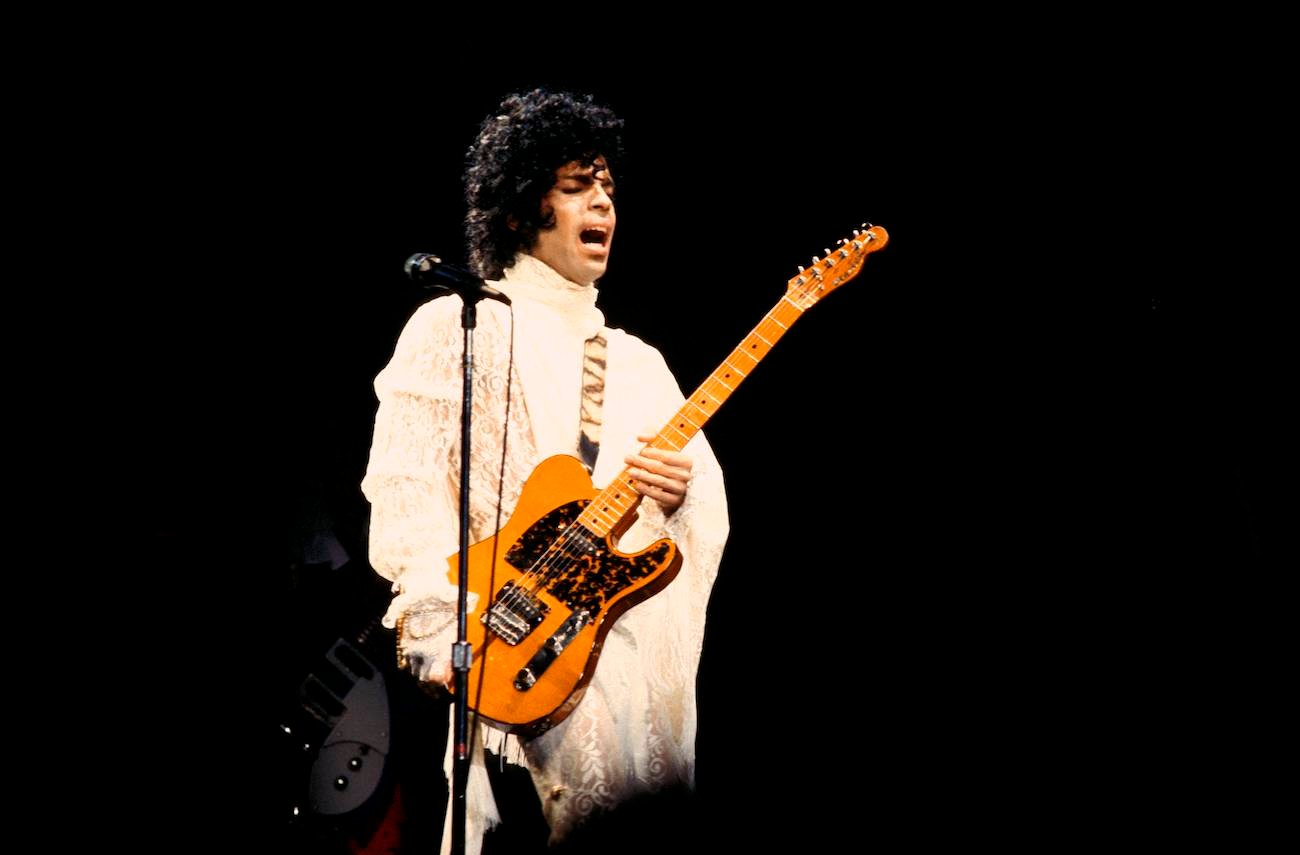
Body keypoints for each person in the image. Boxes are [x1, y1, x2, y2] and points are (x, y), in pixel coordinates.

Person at [361, 89, 729, 853]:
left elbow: (704, 521)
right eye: (576, 186)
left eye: (609, 188)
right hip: (516, 664)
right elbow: (409, 494)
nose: (602, 202)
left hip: (627, 663)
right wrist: (454, 623)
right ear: (521, 207)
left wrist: (680, 497)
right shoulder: (456, 325)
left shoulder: (641, 363)